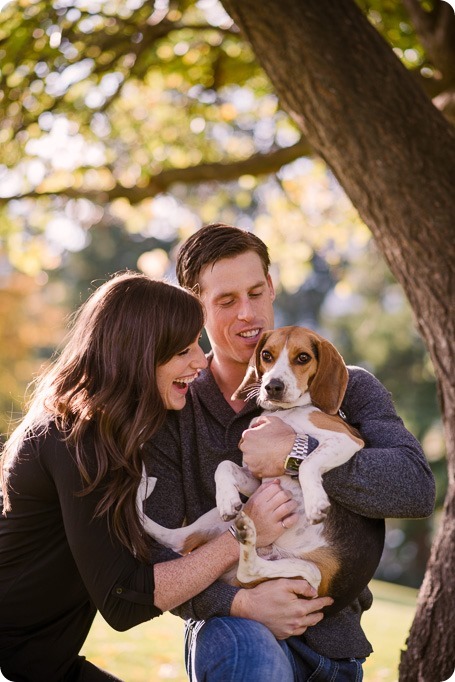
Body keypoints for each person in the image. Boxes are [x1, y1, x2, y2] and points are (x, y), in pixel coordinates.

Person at [144, 224, 436, 681]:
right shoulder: (174, 405)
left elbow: (416, 489)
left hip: (331, 645)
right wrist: (240, 602)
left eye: (256, 292)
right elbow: (154, 571)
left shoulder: (346, 385)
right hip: (234, 631)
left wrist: (294, 455)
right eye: (225, 301)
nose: (248, 314)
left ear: (272, 287)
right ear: (194, 306)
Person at [0, 271, 299, 682]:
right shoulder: (73, 438)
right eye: (183, 350)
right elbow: (124, 599)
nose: (199, 361)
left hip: (39, 665)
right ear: (137, 354)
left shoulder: (109, 433)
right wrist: (244, 533)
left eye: (197, 344)